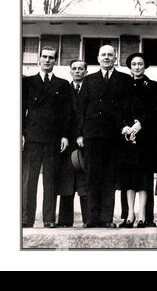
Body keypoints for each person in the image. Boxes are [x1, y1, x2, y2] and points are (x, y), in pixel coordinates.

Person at [76, 45, 131, 228]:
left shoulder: (123, 79)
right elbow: (81, 108)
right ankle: (92, 218)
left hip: (114, 136)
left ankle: (106, 218)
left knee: (109, 177)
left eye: (110, 55)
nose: (107, 57)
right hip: (92, 135)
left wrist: (125, 128)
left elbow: (127, 107)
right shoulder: (89, 79)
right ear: (98, 58)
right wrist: (80, 134)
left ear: (115, 58)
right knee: (93, 176)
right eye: (103, 55)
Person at [22, 46, 72, 228]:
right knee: (29, 180)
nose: (47, 60)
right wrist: (20, 133)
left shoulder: (62, 84)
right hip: (32, 136)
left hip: (53, 137)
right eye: (44, 57)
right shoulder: (27, 82)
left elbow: (67, 113)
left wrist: (65, 135)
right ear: (39, 59)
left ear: (55, 61)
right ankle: (26, 218)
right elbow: (20, 109)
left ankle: (49, 219)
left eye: (51, 57)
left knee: (50, 179)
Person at [117, 53, 157, 228]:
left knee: (144, 177)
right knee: (128, 178)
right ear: (130, 67)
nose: (137, 67)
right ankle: (130, 214)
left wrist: (140, 124)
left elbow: (156, 110)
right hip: (126, 138)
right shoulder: (121, 86)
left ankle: (143, 215)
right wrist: (124, 127)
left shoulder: (154, 87)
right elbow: (116, 110)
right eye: (134, 64)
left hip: (146, 138)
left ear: (145, 66)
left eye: (140, 64)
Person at [56, 60, 89, 227]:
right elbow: (61, 115)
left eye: (80, 69)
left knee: (84, 181)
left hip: (85, 142)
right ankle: (64, 220)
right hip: (67, 142)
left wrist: (82, 135)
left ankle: (88, 220)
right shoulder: (64, 90)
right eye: (74, 69)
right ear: (70, 71)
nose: (77, 71)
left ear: (86, 71)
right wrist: (64, 135)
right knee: (67, 182)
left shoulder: (90, 88)